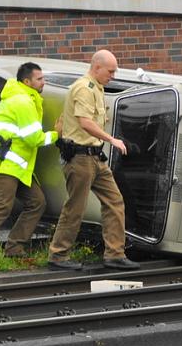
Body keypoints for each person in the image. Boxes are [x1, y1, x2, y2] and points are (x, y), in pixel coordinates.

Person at [47, 50, 140, 271]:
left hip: (95, 157)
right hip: (80, 158)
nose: (113, 76)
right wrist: (112, 140)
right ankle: (58, 256)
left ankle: (115, 254)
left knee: (115, 202)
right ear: (97, 67)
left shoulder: (97, 87)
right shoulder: (83, 88)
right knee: (75, 208)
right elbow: (85, 122)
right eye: (110, 71)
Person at [0, 63, 58, 257]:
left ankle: (14, 247)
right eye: (39, 79)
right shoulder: (23, 101)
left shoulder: (24, 98)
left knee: (37, 202)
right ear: (27, 81)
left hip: (15, 165)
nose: (44, 82)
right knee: (3, 206)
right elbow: (33, 138)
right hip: (6, 164)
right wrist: (57, 134)